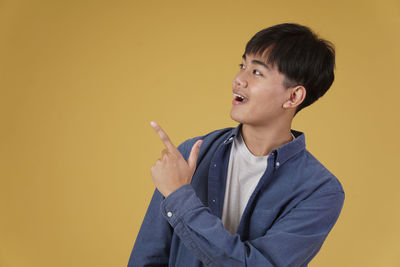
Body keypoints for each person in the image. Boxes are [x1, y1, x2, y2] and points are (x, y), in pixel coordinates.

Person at [127, 23, 345, 267]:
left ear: (293, 97)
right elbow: (147, 257)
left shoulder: (319, 190)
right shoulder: (191, 154)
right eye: (242, 66)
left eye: (257, 72)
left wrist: (180, 197)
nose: (238, 80)